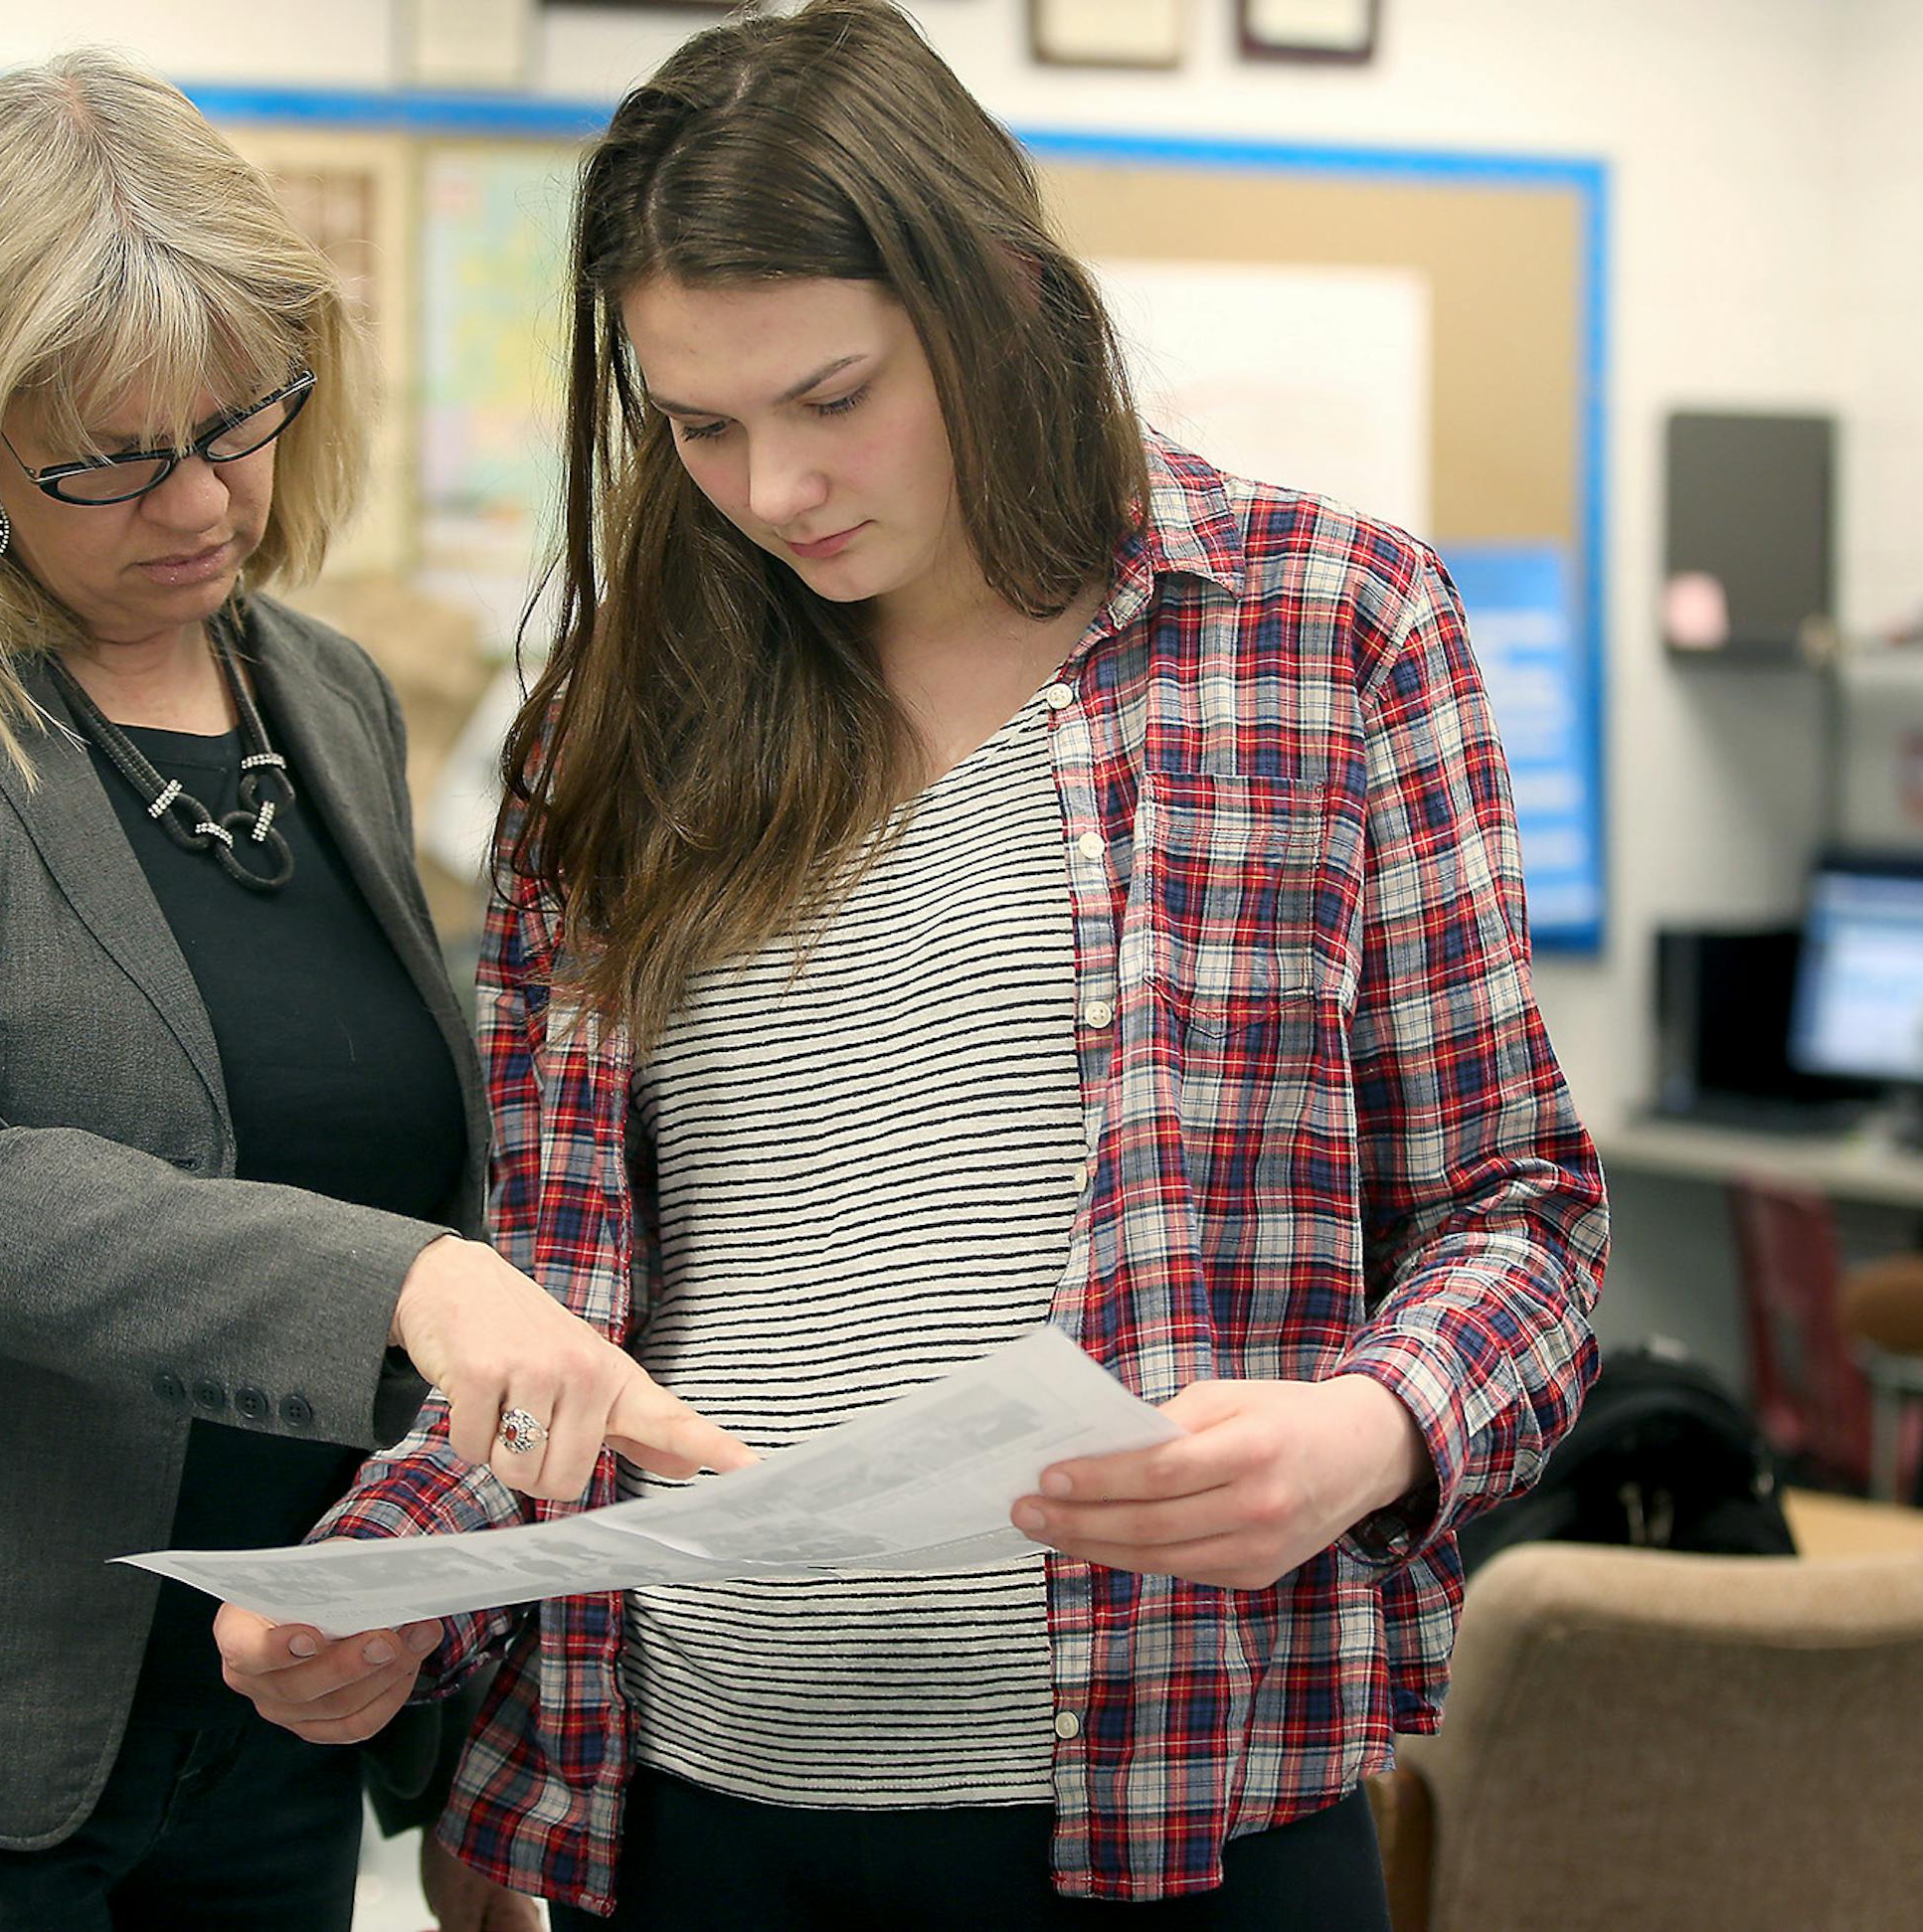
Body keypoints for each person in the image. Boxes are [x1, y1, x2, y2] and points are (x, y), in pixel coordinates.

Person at [216, 2, 1610, 1924]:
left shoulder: (1325, 633)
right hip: (698, 1804)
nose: (775, 488)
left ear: (1000, 296)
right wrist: (391, 1608)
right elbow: (553, 1311)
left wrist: (1368, 1433)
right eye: (700, 426)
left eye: (833, 396)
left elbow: (1522, 1215)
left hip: (1187, 1796)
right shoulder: (606, 734)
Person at [0, 49, 742, 1932]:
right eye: (108, 458)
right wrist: (401, 1284)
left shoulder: (324, 690)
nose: (200, 500)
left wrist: (438, 1651)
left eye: (240, 421)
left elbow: (419, 1153)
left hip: (274, 1715)